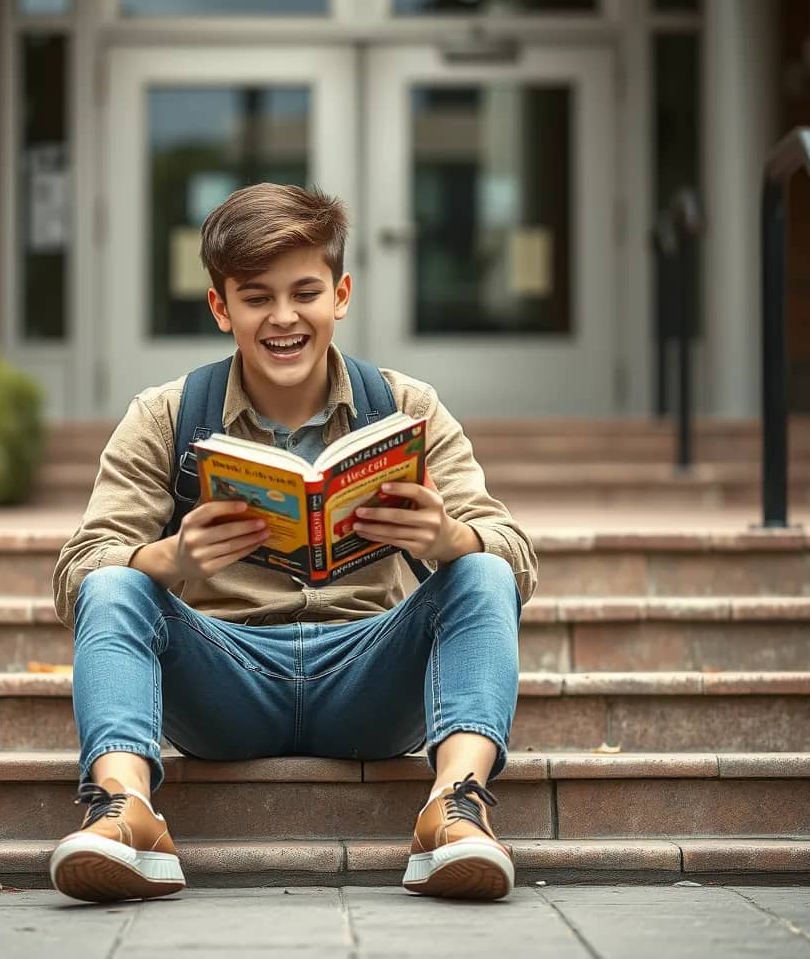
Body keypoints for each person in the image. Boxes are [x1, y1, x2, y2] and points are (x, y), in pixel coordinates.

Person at [48, 183, 538, 904]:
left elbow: (515, 554)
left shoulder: (407, 407)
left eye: (304, 292)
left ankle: (455, 812)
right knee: (116, 584)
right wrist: (170, 559)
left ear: (340, 295)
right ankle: (125, 811)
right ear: (221, 308)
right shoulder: (166, 415)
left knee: (483, 571)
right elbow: (77, 575)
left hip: (369, 675)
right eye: (255, 297)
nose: (283, 317)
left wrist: (448, 537)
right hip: (225, 678)